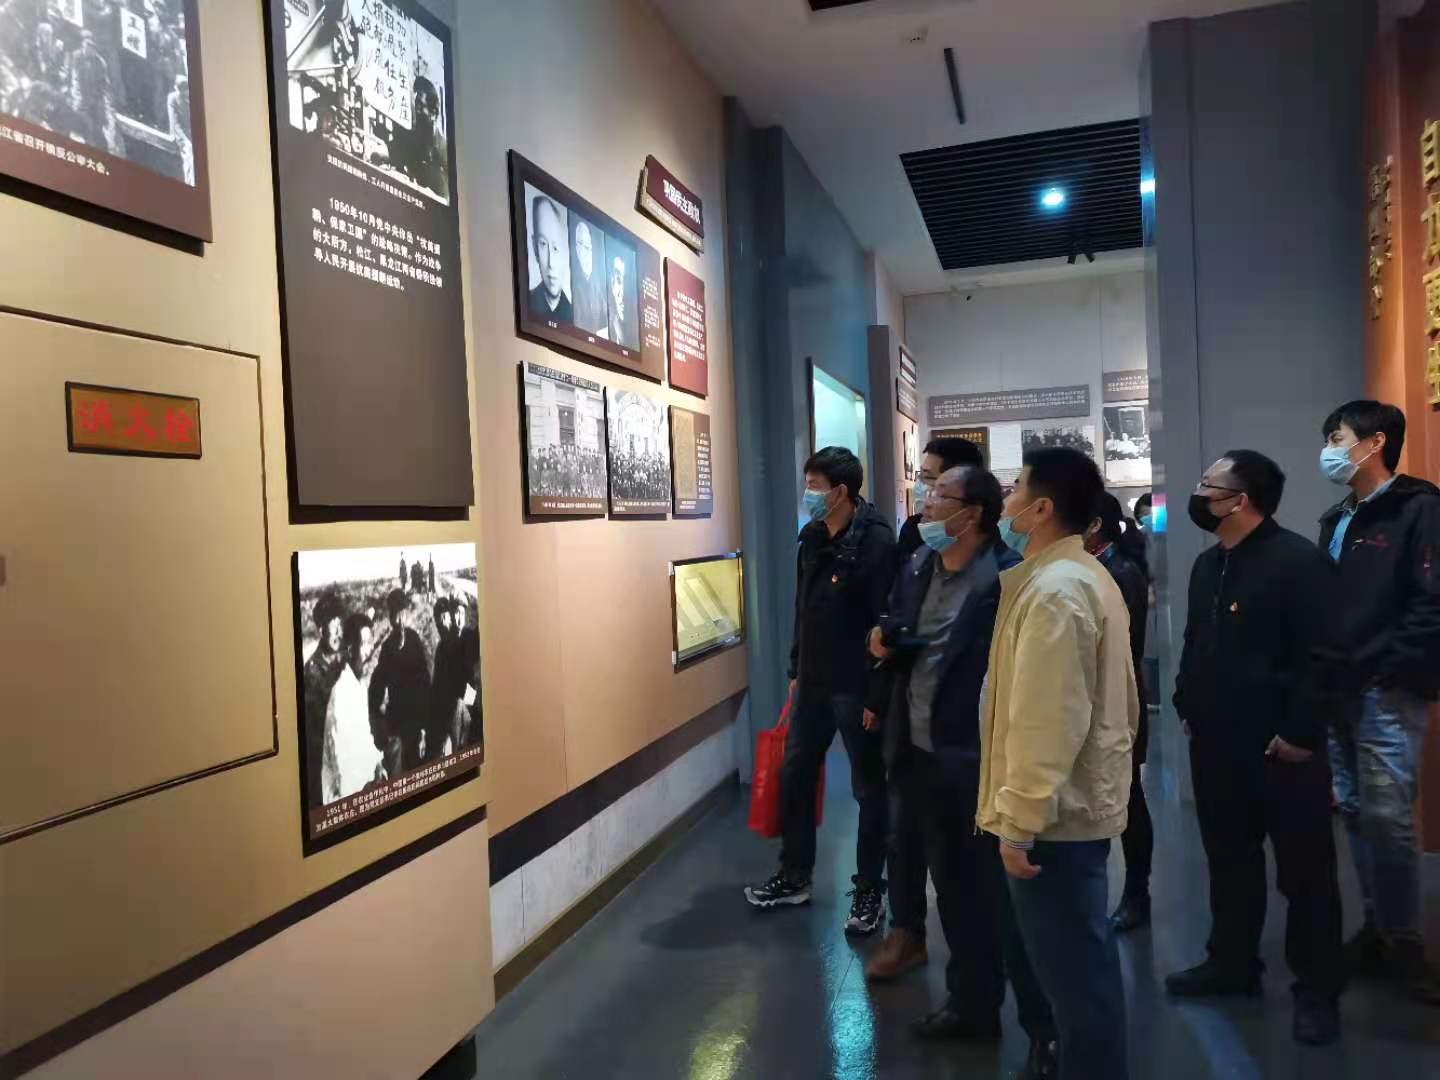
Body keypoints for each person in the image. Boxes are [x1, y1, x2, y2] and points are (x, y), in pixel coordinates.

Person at [863, 466, 1058, 1067]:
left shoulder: (1009, 578)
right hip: (921, 754)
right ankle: (972, 1005)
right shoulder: (918, 565)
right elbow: (895, 626)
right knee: (953, 891)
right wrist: (883, 640)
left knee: (1009, 903)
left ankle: (1045, 1031)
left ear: (971, 514)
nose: (925, 503)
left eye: (938, 495)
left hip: (982, 759)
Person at [1168, 451, 1345, 1046]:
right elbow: (1196, 639)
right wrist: (1186, 701)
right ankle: (1232, 965)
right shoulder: (1208, 563)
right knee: (1229, 861)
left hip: (1280, 747)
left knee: (1305, 874)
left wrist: (1300, 733)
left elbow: (1324, 656)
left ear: (1240, 500)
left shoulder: (1298, 562)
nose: (1199, 494)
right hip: (1217, 743)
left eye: (1208, 485)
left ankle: (1317, 992)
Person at [977, 447, 1137, 1080]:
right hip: (1066, 810)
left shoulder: (1055, 592)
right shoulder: (1068, 577)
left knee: (1074, 976)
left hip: (1055, 821)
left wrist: (1020, 821)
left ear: (1041, 509)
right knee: (1079, 969)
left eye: (1016, 488)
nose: (1006, 500)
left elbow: (1047, 719)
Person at [1317, 401, 1440, 1003]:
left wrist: (1388, 669)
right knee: (1356, 811)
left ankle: (1404, 942)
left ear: (1375, 442)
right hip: (1339, 689)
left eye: (1337, 437)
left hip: (1385, 689)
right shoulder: (1337, 518)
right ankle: (1377, 928)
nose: (1329, 450)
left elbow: (1430, 601)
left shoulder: (1419, 509)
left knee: (1388, 818)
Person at [746, 447, 896, 935]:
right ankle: (795, 875)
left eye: (814, 485)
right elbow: (803, 608)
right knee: (795, 774)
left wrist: (877, 695)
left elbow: (886, 622)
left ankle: (869, 891)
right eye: (807, 483)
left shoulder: (876, 542)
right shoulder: (811, 537)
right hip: (813, 681)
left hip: (857, 684)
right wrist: (796, 666)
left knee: (868, 789)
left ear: (840, 492)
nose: (808, 494)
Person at [1084, 493, 1154, 932]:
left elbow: (1122, 647)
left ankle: (1137, 893)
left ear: (1094, 524)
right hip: (1089, 702)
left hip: (1115, 702)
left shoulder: (1120, 572)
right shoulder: (1089, 567)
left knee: (1127, 800)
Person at [322, 612, 385, 802]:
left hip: (363, 780)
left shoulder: (359, 685)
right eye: (364, 643)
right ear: (350, 650)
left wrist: (377, 764)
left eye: (370, 643)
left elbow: (365, 737)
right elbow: (342, 764)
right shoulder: (341, 693)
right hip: (344, 794)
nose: (370, 650)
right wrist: (369, 786)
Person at [369, 588, 431, 774]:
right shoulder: (387, 648)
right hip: (396, 722)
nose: (400, 619)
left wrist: (424, 729)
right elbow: (377, 686)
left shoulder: (414, 640)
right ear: (390, 618)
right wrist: (377, 718)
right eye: (396, 614)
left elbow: (425, 684)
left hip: (416, 720)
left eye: (403, 613)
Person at [896, 437, 985, 562]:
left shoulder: (993, 550)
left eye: (928, 477)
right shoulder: (912, 529)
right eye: (920, 475)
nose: (919, 485)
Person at [302, 592, 347, 809]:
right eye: (333, 626)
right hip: (323, 765)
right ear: (321, 631)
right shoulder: (313, 673)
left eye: (340, 624)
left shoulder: (340, 660)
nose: (339, 632)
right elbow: (316, 735)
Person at [529, 194, 572, 322]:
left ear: (565, 250)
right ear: (535, 248)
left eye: (555, 248)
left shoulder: (574, 316)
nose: (551, 263)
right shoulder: (527, 302)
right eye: (543, 244)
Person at [571, 219, 608, 335]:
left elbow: (606, 321)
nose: (588, 254)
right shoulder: (572, 287)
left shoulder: (597, 287)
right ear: (577, 249)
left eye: (589, 248)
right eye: (584, 246)